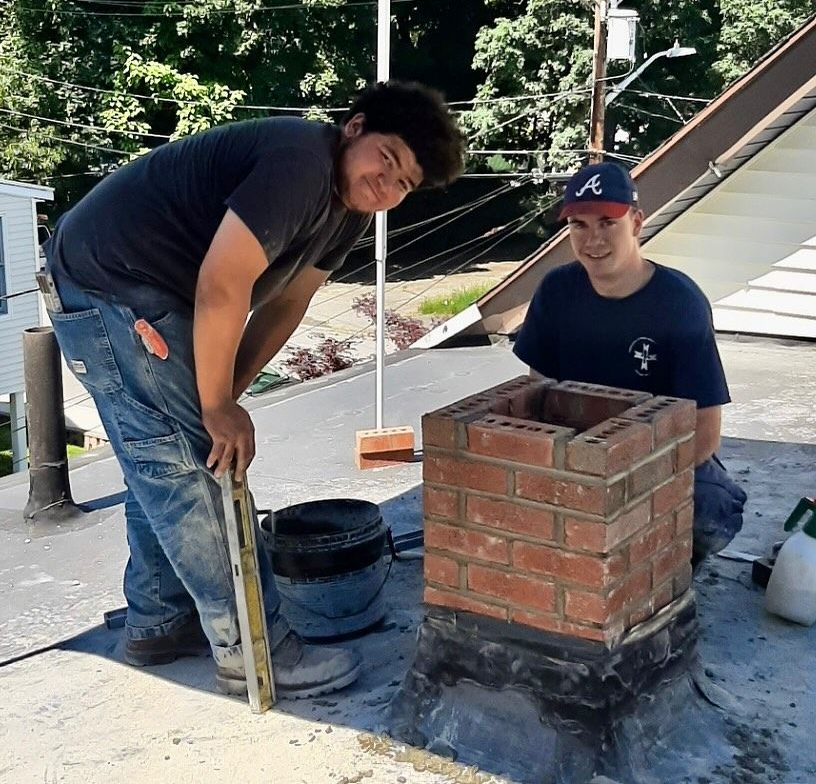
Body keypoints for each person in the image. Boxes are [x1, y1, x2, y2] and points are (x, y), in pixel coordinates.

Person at [43, 80, 465, 698]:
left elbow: (286, 305)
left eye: (403, 184)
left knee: (183, 451)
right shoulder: (299, 161)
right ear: (354, 127)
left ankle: (161, 621)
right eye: (387, 158)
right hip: (109, 282)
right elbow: (224, 282)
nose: (387, 185)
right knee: (189, 467)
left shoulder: (347, 213)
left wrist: (227, 393)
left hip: (148, 291)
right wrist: (214, 406)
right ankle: (253, 650)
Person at [513, 161, 746, 567]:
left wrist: (627, 485)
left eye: (607, 222)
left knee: (708, 512)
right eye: (579, 226)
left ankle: (666, 562)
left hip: (657, 463)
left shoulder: (680, 304)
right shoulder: (556, 292)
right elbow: (538, 397)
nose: (593, 239)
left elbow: (705, 437)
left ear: (636, 223)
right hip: (578, 457)